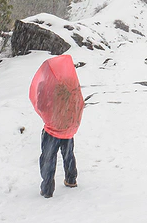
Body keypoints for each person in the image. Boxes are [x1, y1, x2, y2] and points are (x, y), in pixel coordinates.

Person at [29, 54, 85, 198]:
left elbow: (40, 104)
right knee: (68, 154)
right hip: (67, 127)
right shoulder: (71, 82)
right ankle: (71, 179)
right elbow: (79, 103)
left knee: (48, 157)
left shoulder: (46, 84)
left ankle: (47, 189)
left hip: (52, 129)